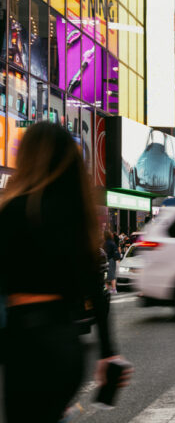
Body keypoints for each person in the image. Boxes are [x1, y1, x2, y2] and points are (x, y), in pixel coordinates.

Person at [0, 122, 130, 422]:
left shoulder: (14, 209)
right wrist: (109, 353)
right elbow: (95, 289)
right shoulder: (76, 216)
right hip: (67, 343)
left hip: (26, 341)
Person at [103, 229, 120, 294]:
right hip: (113, 260)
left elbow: (105, 252)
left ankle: (113, 289)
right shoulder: (112, 242)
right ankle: (111, 288)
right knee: (111, 274)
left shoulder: (105, 243)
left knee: (108, 275)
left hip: (108, 260)